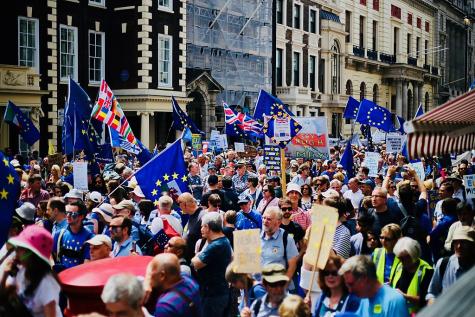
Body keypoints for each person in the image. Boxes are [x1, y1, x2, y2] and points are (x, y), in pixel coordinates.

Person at [2, 225, 62, 317]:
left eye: (20, 248)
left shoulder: (46, 284)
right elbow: (3, 295)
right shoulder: (21, 271)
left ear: (32, 254)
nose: (16, 250)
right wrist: (5, 275)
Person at [339, 255, 409, 317]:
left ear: (364, 278)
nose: (350, 290)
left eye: (351, 284)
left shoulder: (395, 301)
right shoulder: (364, 298)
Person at [191, 212, 233, 316]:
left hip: (213, 296)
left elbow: (196, 263)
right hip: (217, 293)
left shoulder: (215, 245)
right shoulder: (223, 241)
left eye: (202, 227)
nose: (201, 230)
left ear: (207, 227)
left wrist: (196, 257)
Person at [426, 226, 475, 304]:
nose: (459, 246)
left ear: (472, 246)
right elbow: (432, 293)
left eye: (463, 242)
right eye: (456, 242)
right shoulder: (443, 264)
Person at [391, 237, 433, 314]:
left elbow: (428, 300)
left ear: (414, 254)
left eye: (405, 258)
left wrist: (405, 296)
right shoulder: (399, 266)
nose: (402, 261)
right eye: (400, 258)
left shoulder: (427, 270)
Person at [53, 201, 94, 271]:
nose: (68, 216)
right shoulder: (59, 234)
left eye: (73, 214)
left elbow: (87, 262)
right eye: (67, 213)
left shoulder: (89, 237)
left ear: (81, 216)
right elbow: (51, 254)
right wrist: (53, 266)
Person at [261, 207, 299, 280]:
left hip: (278, 286)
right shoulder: (257, 236)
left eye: (269, 219)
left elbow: (292, 266)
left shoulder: (287, 239)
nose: (265, 221)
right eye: (263, 218)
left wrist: (283, 286)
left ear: (278, 222)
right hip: (259, 286)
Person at [178, 193, 205, 261]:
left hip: (196, 260)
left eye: (179, 203)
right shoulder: (192, 215)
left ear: (184, 204)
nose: (179, 206)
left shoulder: (202, 216)